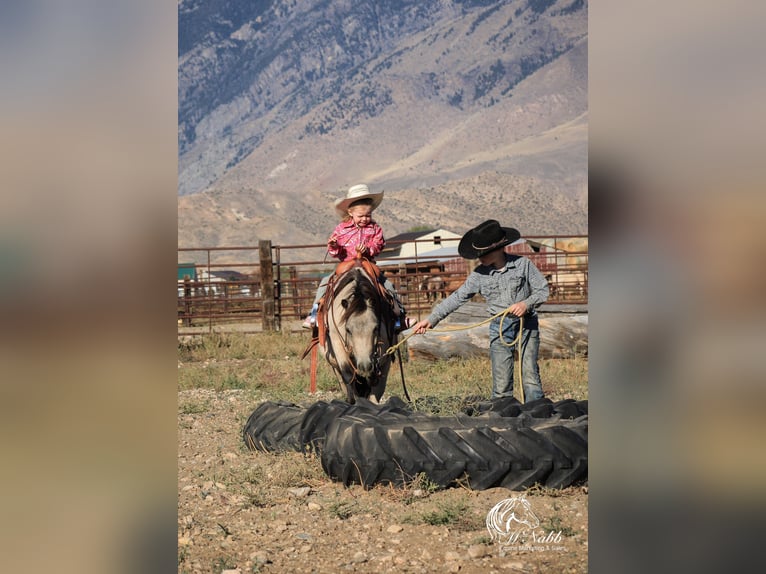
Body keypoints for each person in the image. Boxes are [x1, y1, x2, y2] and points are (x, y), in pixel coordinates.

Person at [411, 219, 549, 401]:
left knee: (530, 372)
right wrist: (432, 319)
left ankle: (536, 412)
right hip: (500, 326)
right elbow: (457, 297)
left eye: (484, 253)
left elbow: (542, 289)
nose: (480, 257)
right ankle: (504, 412)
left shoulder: (523, 265)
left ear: (499, 248)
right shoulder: (479, 275)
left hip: (527, 324)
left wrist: (526, 304)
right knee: (501, 379)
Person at [302, 184, 408, 329]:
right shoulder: (341, 229)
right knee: (325, 283)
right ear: (350, 212)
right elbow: (336, 252)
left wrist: (368, 249)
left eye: (368, 215)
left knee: (388, 286)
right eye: (361, 216)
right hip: (346, 265)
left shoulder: (375, 229)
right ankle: (314, 313)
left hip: (367, 264)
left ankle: (399, 317)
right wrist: (333, 246)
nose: (365, 219)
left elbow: (379, 245)